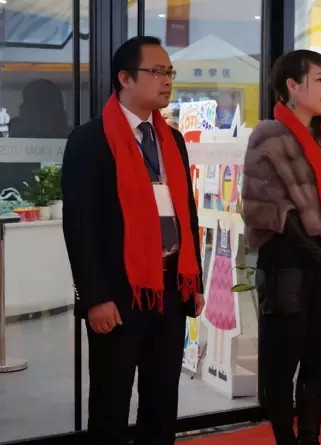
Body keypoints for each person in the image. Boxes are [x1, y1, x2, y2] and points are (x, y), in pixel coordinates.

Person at [62, 36, 204, 445]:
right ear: (124, 78)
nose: (167, 80)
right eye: (157, 72)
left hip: (170, 286)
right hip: (119, 291)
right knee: (111, 403)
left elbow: (186, 213)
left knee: (161, 401)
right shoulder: (90, 141)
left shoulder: (172, 140)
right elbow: (80, 226)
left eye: (169, 72)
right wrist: (94, 298)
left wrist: (193, 281)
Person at [241, 49, 321, 445]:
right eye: (319, 80)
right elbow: (274, 213)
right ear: (292, 86)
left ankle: (310, 437)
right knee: (281, 370)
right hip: (287, 268)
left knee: (315, 366)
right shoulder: (268, 136)